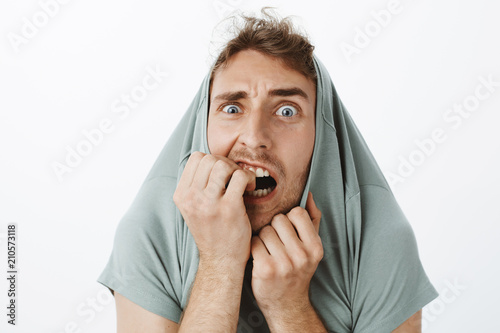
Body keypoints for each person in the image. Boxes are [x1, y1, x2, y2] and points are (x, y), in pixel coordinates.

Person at [98, 9, 439, 332]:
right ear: (204, 126)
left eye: (287, 111)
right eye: (232, 108)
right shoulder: (149, 231)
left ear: (321, 135)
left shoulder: (379, 236)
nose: (254, 137)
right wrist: (219, 264)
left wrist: (288, 306)